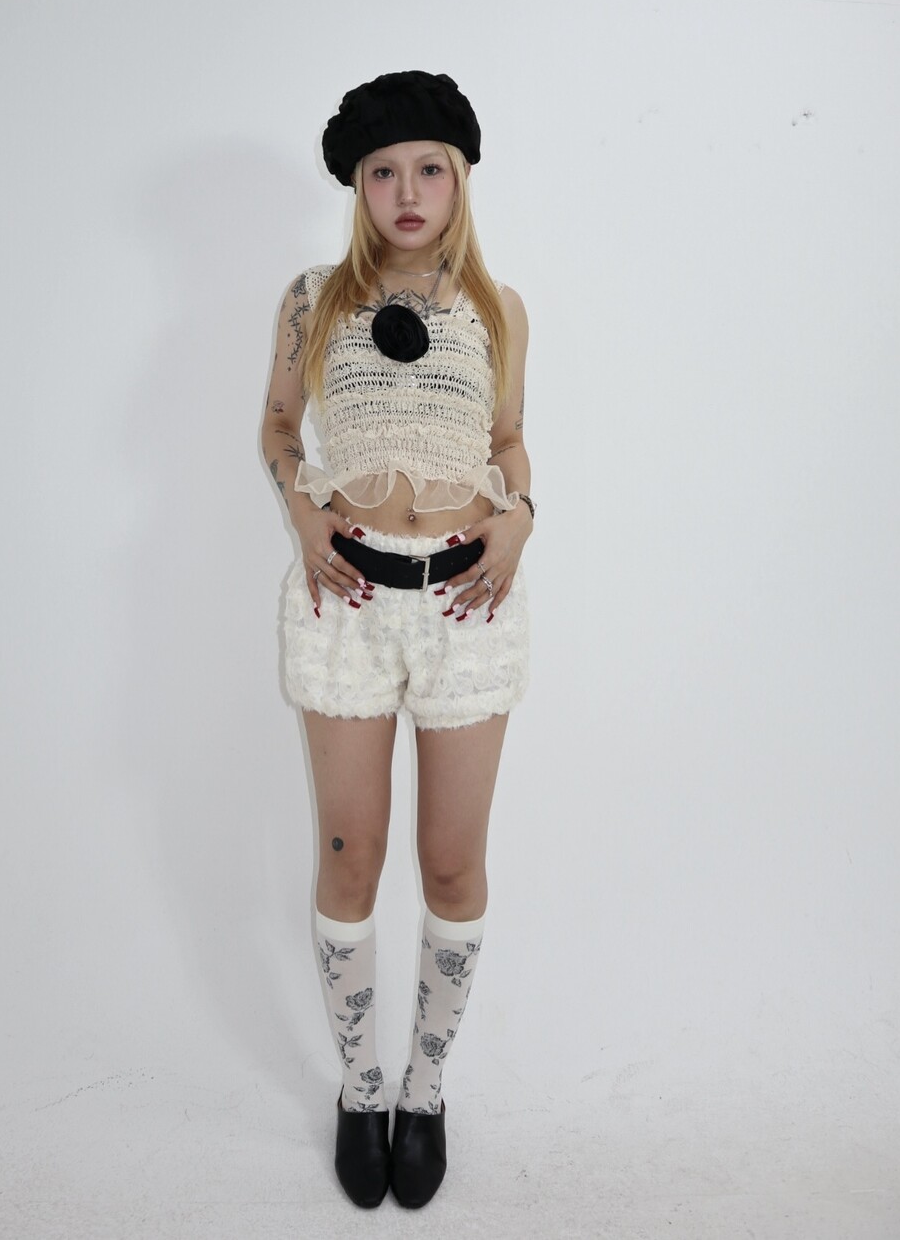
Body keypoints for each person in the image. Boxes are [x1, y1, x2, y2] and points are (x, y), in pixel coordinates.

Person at [261, 71, 534, 1209]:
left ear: (458, 180)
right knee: (350, 856)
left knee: (452, 862)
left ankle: (424, 1087)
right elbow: (280, 426)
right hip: (349, 603)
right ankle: (359, 1084)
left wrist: (520, 515)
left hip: (467, 603)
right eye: (384, 172)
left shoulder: (498, 308)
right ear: (358, 185)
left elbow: (508, 440)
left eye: (429, 169)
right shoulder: (312, 300)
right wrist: (304, 510)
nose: (407, 192)